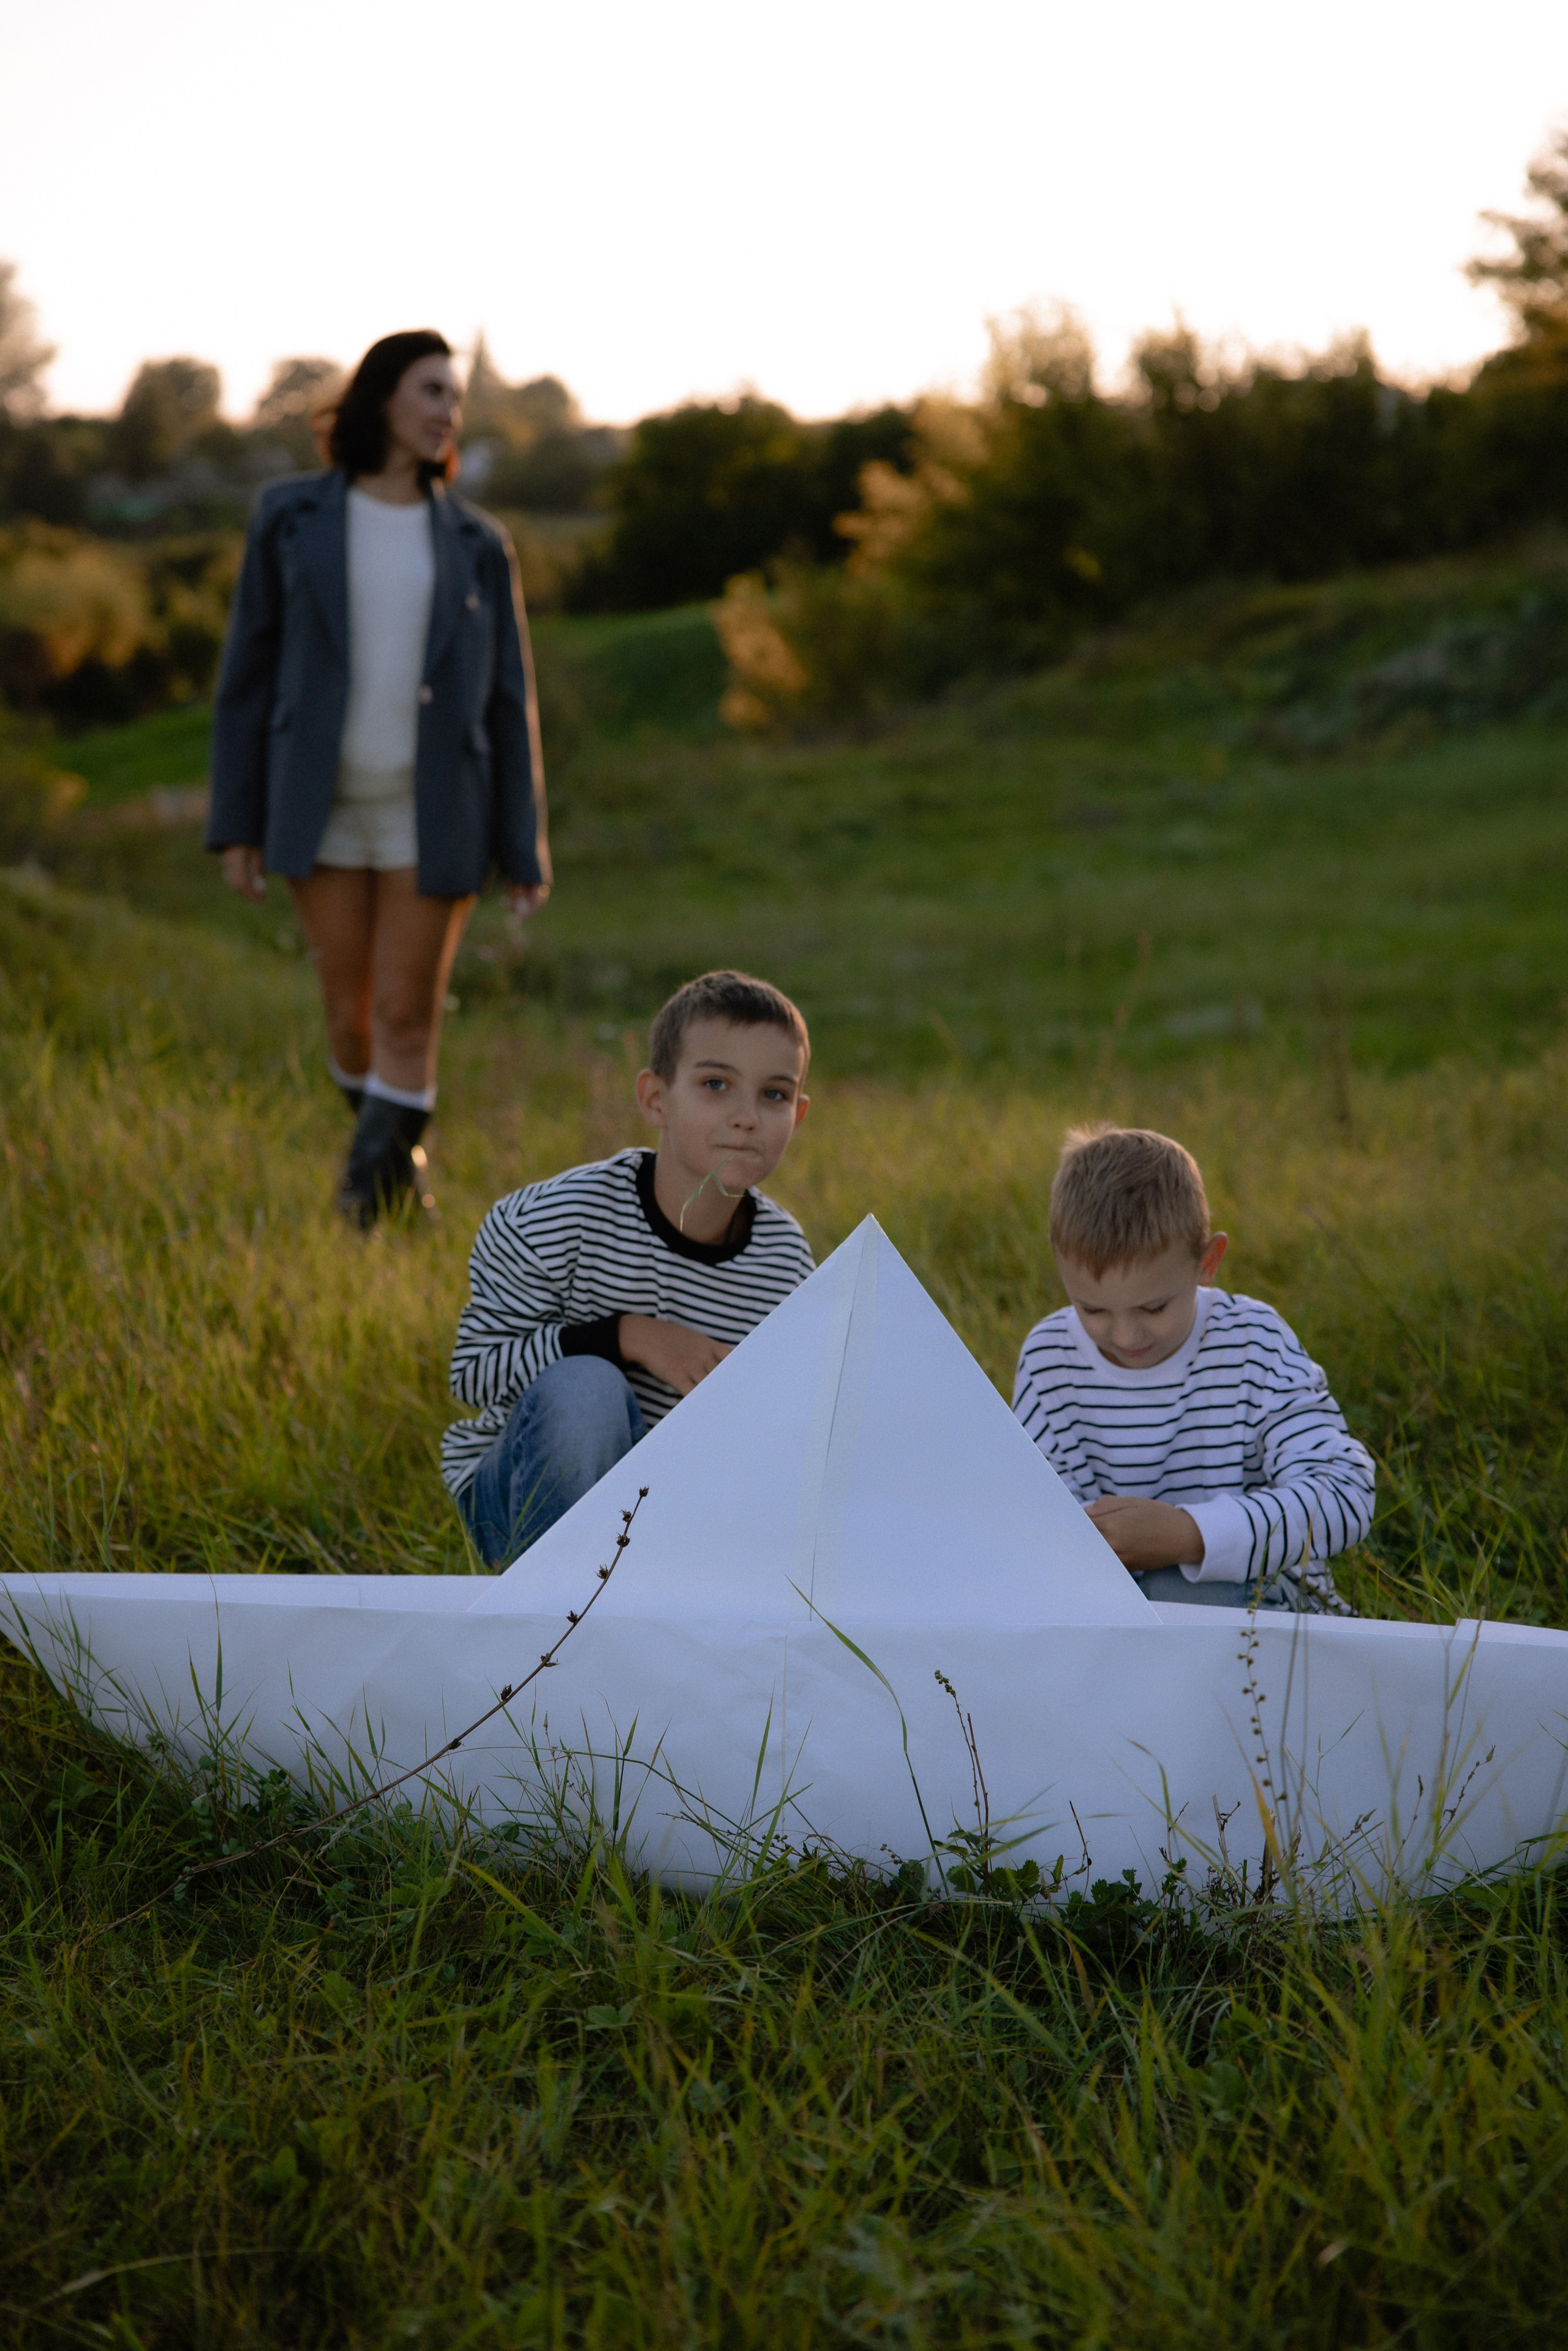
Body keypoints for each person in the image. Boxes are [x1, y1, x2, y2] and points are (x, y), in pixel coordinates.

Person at [205, 330, 551, 1225]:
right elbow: (246, 676)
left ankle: (364, 1200)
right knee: (350, 1019)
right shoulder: (289, 515)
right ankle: (402, 1178)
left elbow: (510, 700)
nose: (447, 411)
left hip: (434, 814)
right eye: (432, 389)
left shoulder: (480, 543)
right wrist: (235, 822)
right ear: (383, 398)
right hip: (317, 812)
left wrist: (523, 842)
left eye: (455, 397)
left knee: (405, 1013)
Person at [444, 970, 816, 1566]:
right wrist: (628, 1336)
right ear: (655, 1098)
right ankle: (555, 1615)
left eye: (773, 1094)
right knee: (584, 1389)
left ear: (796, 1116)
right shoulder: (551, 1220)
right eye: (716, 1084)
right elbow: (475, 1377)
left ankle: (648, 1599)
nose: (747, 1116)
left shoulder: (783, 1262)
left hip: (669, 1515)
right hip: (520, 1502)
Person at [1012, 1124, 1374, 1613]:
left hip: (1262, 1610)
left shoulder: (1253, 1341)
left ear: (1208, 1262)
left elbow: (1345, 1492)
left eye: (1154, 1308)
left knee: (1181, 1595)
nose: (1125, 1337)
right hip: (1113, 1614)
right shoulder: (1049, 1358)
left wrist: (1192, 1537)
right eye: (1093, 1310)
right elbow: (1035, 1517)